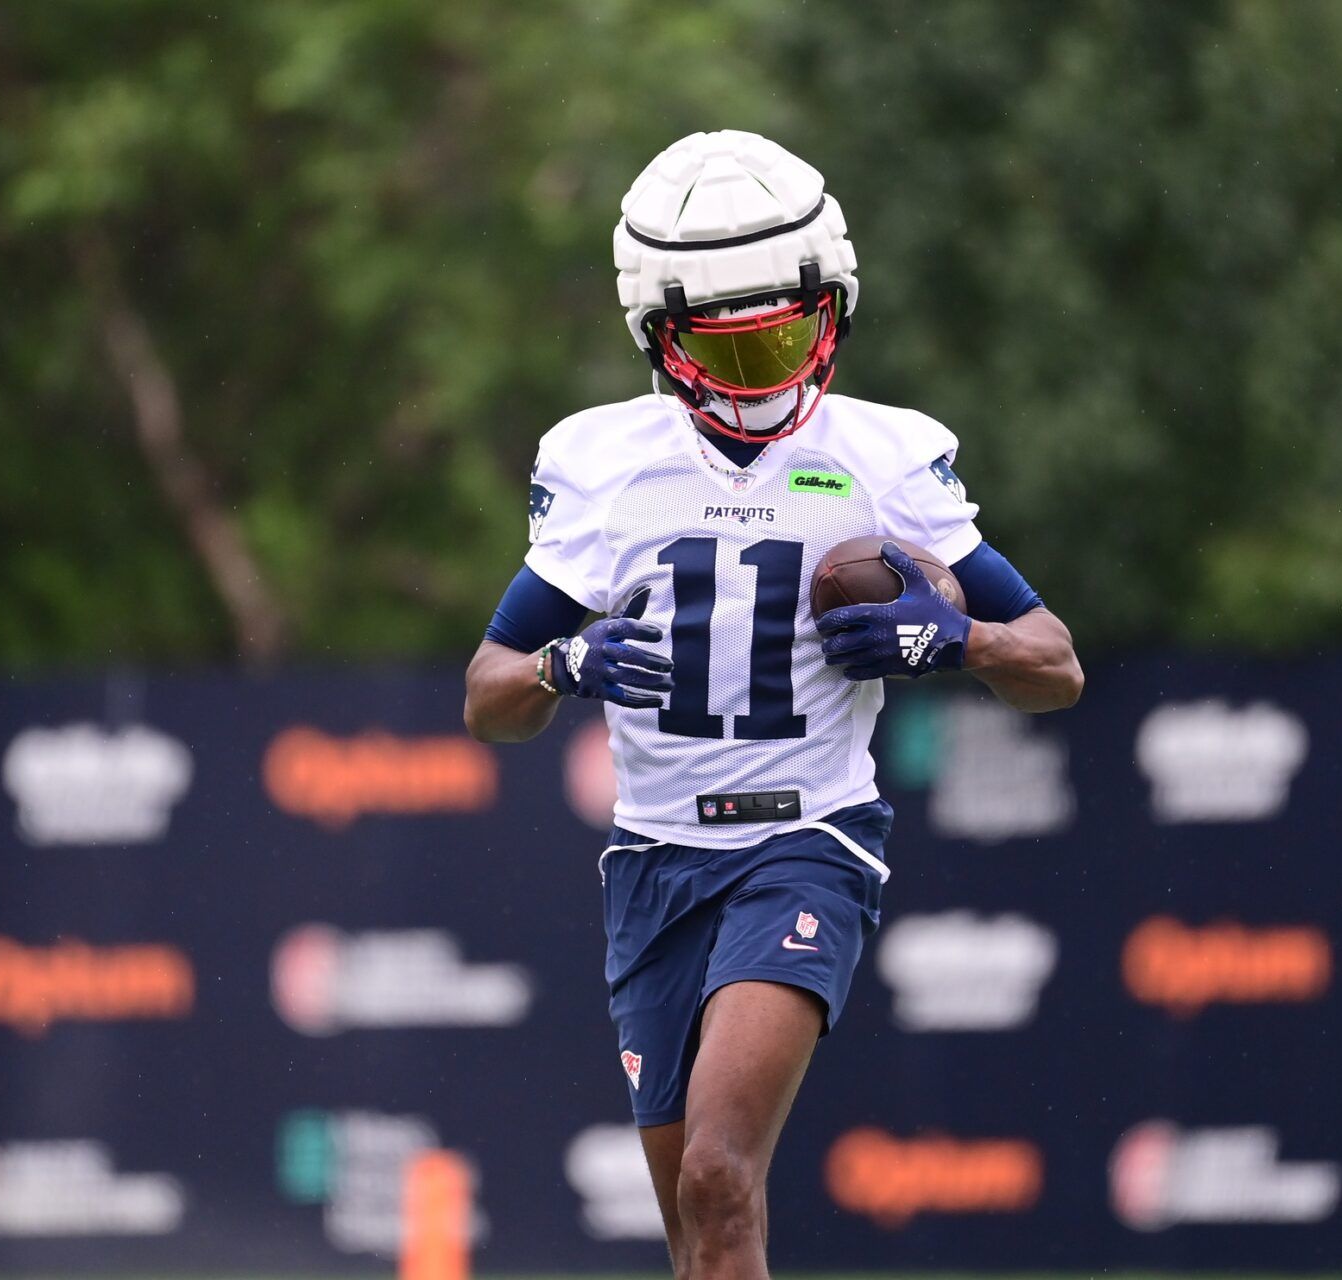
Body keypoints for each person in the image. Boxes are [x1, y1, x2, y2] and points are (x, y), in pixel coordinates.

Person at [463, 130, 1082, 1280]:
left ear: (831, 309)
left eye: (785, 337)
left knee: (719, 1173)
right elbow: (489, 693)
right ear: (662, 336)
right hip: (652, 860)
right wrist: (566, 667)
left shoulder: (885, 458)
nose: (765, 374)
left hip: (806, 840)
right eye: (728, 349)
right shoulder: (608, 467)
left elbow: (1056, 661)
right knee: (698, 1234)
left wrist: (958, 640)